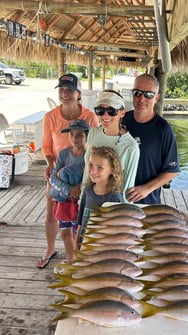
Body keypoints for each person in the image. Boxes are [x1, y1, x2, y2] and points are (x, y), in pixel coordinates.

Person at [37, 73, 99, 269]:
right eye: (62, 90)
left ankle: (77, 256)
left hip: (83, 175)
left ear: (78, 93)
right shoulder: (51, 117)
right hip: (58, 172)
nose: (65, 94)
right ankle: (49, 249)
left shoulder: (89, 116)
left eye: (69, 90)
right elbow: (46, 146)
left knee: (80, 217)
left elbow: (96, 143)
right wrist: (50, 164)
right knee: (51, 213)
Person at [122, 73, 179, 204]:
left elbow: (172, 171)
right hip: (117, 197)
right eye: (137, 93)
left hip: (146, 201)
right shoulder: (121, 120)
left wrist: (146, 188)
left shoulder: (164, 130)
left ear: (157, 98)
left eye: (148, 94)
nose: (141, 99)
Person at [81, 89, 140, 202]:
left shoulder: (131, 146)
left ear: (122, 112)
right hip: (90, 200)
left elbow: (127, 187)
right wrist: (81, 201)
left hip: (114, 207)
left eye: (111, 111)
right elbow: (87, 174)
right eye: (100, 110)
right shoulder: (93, 133)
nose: (105, 115)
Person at [49, 119, 89, 265]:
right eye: (71, 135)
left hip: (79, 203)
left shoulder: (89, 156)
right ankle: (71, 260)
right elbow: (52, 178)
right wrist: (69, 190)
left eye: (79, 135)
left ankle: (78, 261)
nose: (74, 138)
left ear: (87, 137)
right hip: (64, 200)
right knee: (65, 233)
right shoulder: (63, 154)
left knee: (76, 233)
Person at [76, 146, 123, 246]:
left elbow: (116, 232)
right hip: (83, 248)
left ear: (112, 170)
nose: (93, 171)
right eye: (90, 165)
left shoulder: (115, 198)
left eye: (100, 168)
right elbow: (80, 223)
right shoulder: (87, 191)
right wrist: (76, 246)